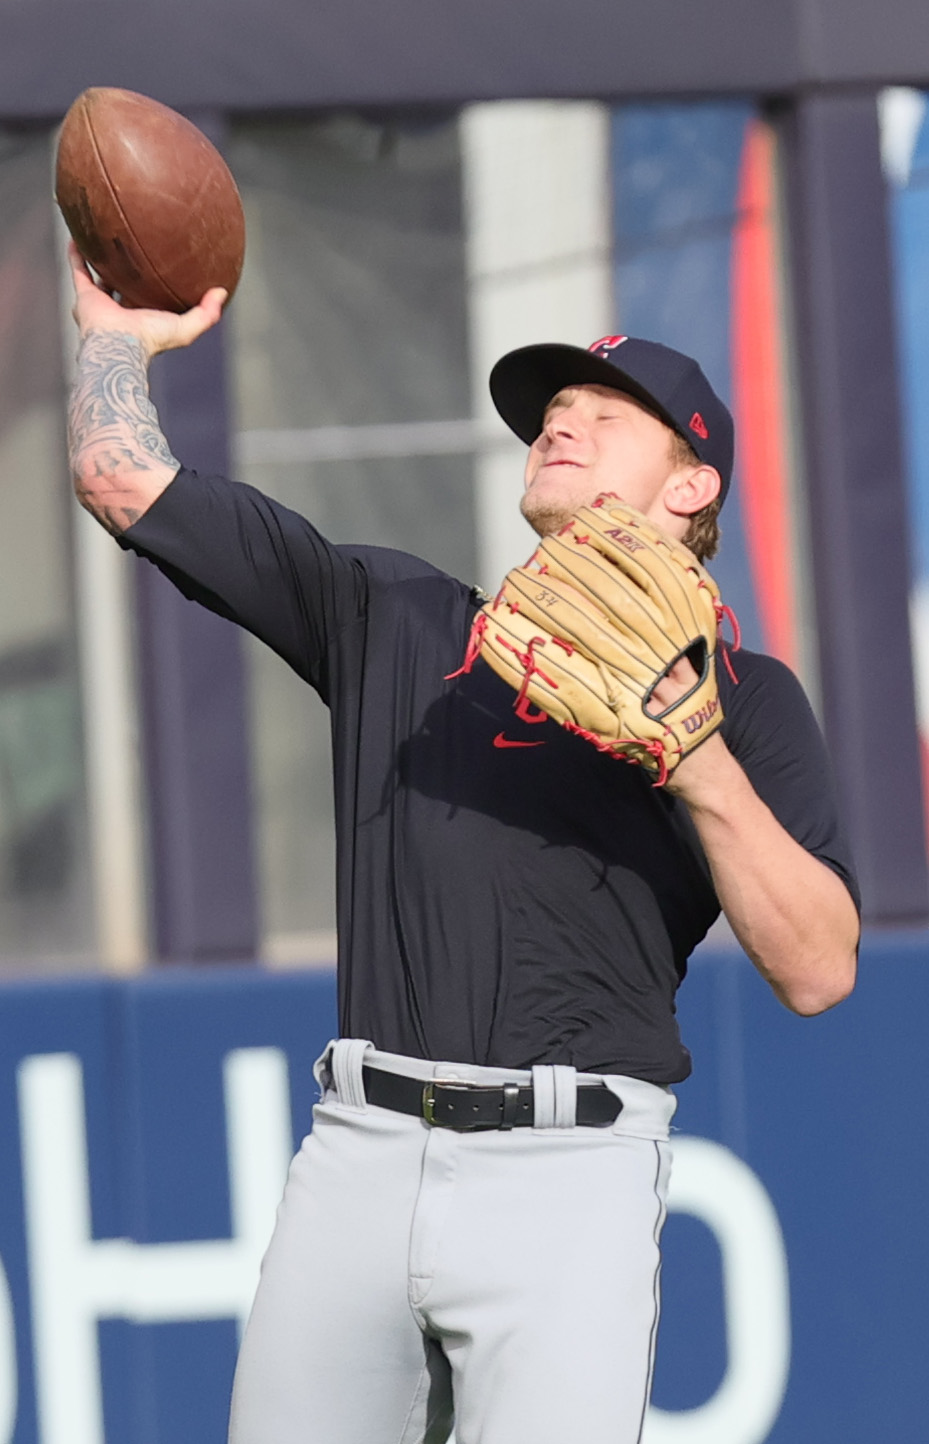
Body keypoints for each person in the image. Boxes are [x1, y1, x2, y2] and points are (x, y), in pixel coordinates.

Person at [66, 244, 860, 1444]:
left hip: (568, 1173)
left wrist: (691, 758)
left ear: (692, 486)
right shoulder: (393, 616)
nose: (559, 425)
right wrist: (118, 337)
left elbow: (818, 969)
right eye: (549, 414)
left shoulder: (743, 701)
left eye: (603, 413)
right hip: (361, 1153)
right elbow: (118, 477)